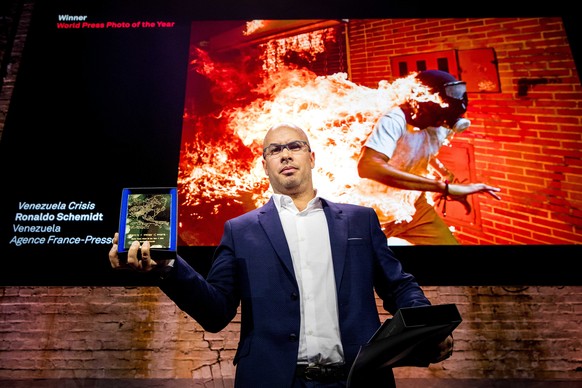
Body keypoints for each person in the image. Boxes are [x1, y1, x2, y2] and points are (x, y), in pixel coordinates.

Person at [109, 122, 453, 387]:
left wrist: (425, 329)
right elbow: (215, 312)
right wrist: (167, 266)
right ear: (265, 164)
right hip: (273, 380)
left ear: (312, 157)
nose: (286, 154)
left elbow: (399, 286)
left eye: (294, 146)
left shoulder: (360, 220)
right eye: (275, 150)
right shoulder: (239, 230)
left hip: (357, 379)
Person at [357, 70, 502, 245]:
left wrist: (446, 175)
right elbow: (369, 166)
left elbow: (423, 150)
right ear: (425, 104)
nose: (443, 124)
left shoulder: (442, 125)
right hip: (371, 213)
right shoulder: (394, 119)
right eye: (441, 118)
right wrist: (443, 188)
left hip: (414, 209)